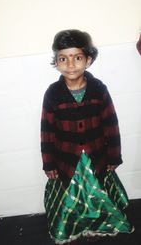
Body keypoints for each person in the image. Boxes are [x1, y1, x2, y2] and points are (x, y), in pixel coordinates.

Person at [41, 29, 134, 245]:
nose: (70, 64)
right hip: (66, 161)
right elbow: (46, 131)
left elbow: (111, 125)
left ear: (88, 60)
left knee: (96, 195)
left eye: (77, 58)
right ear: (56, 62)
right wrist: (49, 163)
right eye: (63, 58)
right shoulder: (52, 94)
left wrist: (113, 157)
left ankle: (99, 225)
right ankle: (72, 226)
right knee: (72, 199)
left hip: (97, 157)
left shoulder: (99, 89)